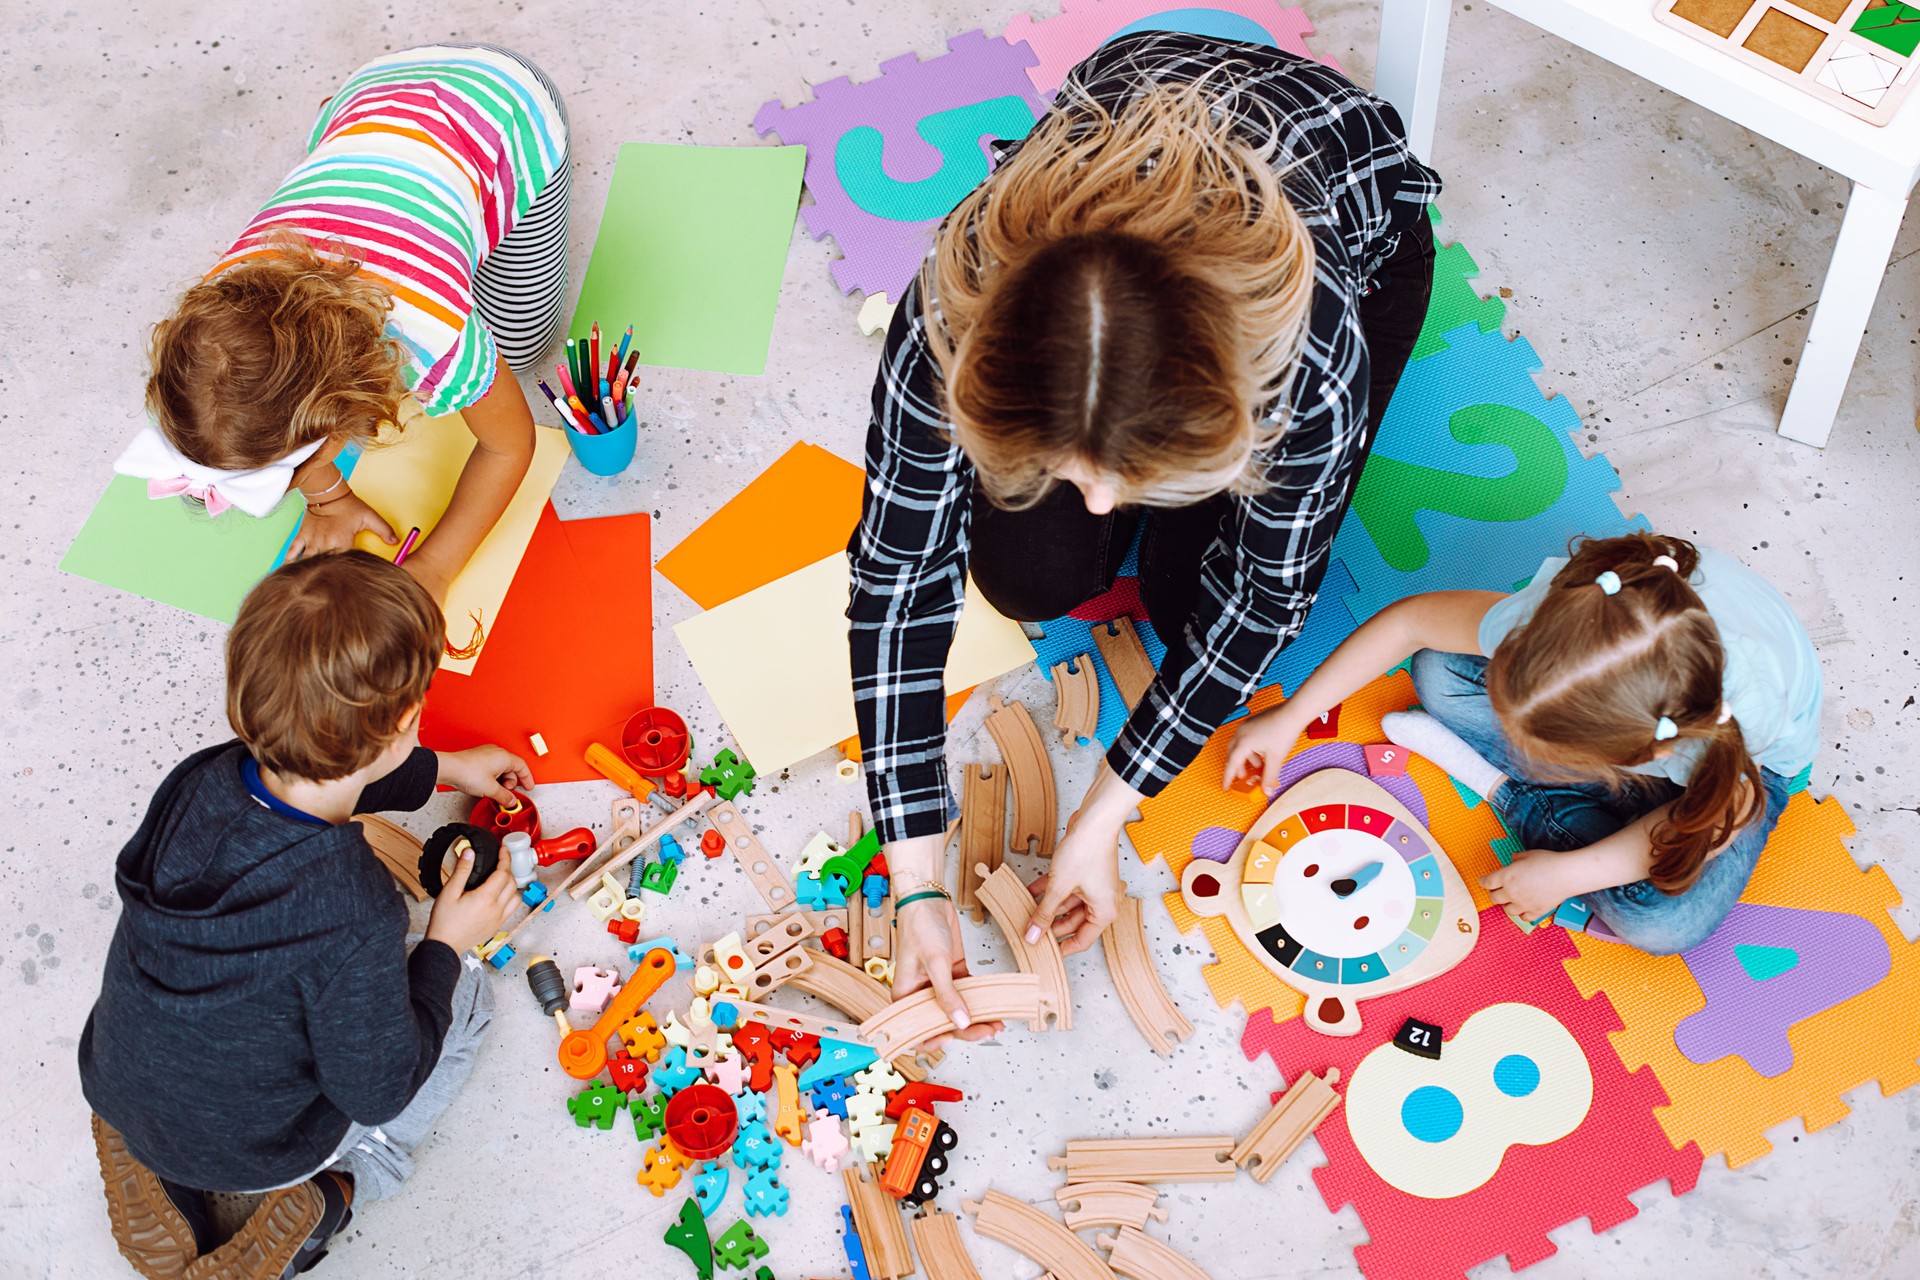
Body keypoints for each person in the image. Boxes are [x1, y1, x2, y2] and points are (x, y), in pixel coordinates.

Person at [846, 31, 1441, 1035]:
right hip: (1147, 116)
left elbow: (1262, 602)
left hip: (1356, 230)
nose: (1100, 502)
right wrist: (915, 877)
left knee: (1187, 607)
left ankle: (1171, 491)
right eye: (1072, 471)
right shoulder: (955, 300)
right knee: (1028, 580)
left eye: (1132, 478)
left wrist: (1102, 819)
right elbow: (899, 571)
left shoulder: (1313, 360)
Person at [80, 551, 528, 1276]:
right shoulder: (352, 913)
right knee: (466, 1001)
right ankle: (342, 1186)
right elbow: (377, 1087)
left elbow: (325, 769)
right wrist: (447, 941)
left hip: (121, 1076)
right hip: (257, 1149)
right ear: (408, 719)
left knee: (228, 1045)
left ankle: (150, 1149)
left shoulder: (202, 779)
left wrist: (445, 769)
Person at [115, 44, 572, 602]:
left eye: (295, 473)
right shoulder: (218, 301)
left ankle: (438, 140)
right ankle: (366, 121)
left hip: (508, 112)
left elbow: (508, 447)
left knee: (523, 350)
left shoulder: (438, 336)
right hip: (370, 92)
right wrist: (330, 498)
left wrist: (435, 568)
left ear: (337, 430)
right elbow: (263, 416)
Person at [1225, 532, 1822, 953]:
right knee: (1437, 671)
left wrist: (1565, 877)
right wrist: (1292, 714)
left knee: (1663, 923)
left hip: (1733, 774)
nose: (1521, 741)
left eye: (1556, 756)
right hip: (1638, 692)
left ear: (1646, 757)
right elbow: (1410, 625)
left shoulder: (1736, 723)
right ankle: (1581, 817)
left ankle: (1509, 794)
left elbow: (1706, 822)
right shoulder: (1560, 619)